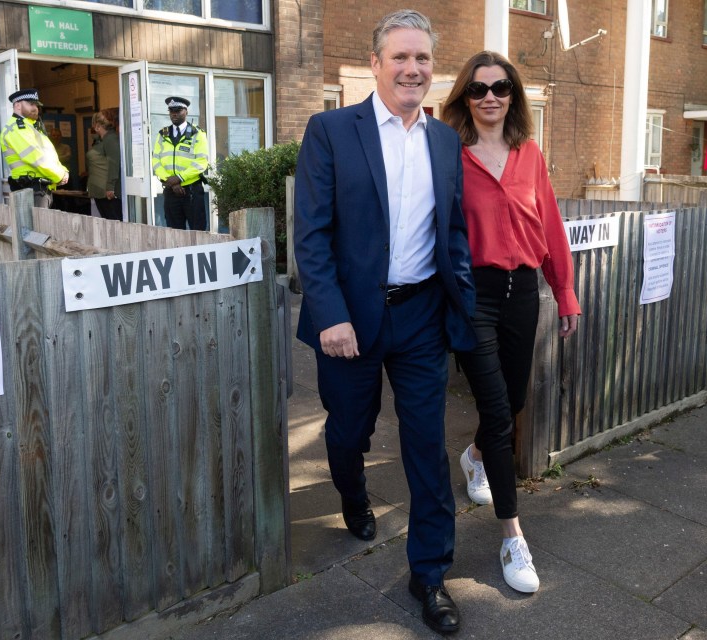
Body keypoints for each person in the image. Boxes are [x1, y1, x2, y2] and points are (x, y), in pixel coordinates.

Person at [294, 9, 475, 635]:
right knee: (349, 432)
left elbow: (453, 232)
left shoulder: (445, 141)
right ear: (375, 64)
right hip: (349, 322)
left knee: (428, 445)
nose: (412, 68)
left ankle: (430, 574)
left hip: (422, 315)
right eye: (400, 56)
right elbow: (311, 237)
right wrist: (331, 317)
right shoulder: (331, 130)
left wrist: (464, 303)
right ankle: (350, 493)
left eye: (422, 58)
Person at [441, 51, 581, 593]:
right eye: (478, 90)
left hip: (523, 292)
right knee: (500, 411)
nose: (490, 97)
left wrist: (564, 293)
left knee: (513, 404)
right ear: (465, 98)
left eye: (501, 88)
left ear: (513, 96)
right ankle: (511, 536)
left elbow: (549, 225)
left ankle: (474, 456)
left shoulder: (529, 154)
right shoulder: (449, 155)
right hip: (474, 295)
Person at [0, 88, 69, 208]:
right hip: (30, 189)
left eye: (36, 105)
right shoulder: (16, 128)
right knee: (36, 226)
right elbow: (37, 159)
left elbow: (48, 156)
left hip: (38, 189)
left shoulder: (30, 127)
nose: (35, 108)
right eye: (31, 104)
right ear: (17, 106)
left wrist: (63, 170)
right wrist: (60, 175)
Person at [152, 96, 209, 230]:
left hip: (191, 191)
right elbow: (156, 161)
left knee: (198, 231)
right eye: (171, 111)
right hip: (171, 191)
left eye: (178, 110)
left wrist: (179, 178)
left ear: (186, 112)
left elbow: (201, 162)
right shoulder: (162, 134)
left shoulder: (197, 134)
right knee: (174, 232)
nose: (174, 114)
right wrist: (170, 181)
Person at [86, 109, 123, 221]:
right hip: (102, 192)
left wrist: (110, 187)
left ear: (98, 126)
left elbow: (114, 162)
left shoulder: (110, 139)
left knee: (113, 225)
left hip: (107, 194)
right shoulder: (103, 140)